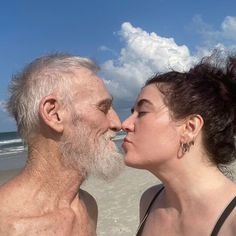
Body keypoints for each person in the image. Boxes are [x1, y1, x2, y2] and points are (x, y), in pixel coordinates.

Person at [0, 53, 124, 235]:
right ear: (54, 114)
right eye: (103, 108)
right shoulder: (7, 225)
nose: (117, 123)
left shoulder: (86, 206)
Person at [122, 53, 236, 236]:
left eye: (142, 112)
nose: (125, 124)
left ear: (190, 127)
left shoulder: (232, 219)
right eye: (132, 112)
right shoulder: (150, 201)